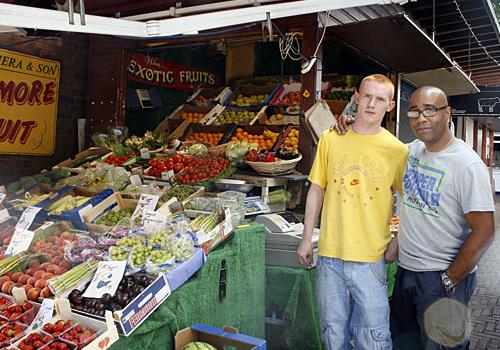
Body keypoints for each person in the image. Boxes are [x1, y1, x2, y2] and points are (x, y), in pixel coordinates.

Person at [333, 86, 495, 350]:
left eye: (430, 110)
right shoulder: (410, 151)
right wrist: (350, 117)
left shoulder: (467, 165)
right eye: (415, 111)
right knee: (404, 342)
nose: (421, 118)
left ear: (447, 114)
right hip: (407, 273)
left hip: (442, 277)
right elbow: (372, 144)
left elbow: (485, 231)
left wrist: (449, 279)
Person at [297, 74, 408, 350]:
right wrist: (306, 236)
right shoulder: (330, 139)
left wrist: (397, 240)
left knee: (373, 338)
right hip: (330, 256)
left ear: (390, 106)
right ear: (356, 97)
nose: (371, 104)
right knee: (333, 335)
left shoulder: (397, 150)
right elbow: (316, 190)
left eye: (380, 99)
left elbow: (408, 203)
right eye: (367, 96)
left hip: (371, 258)